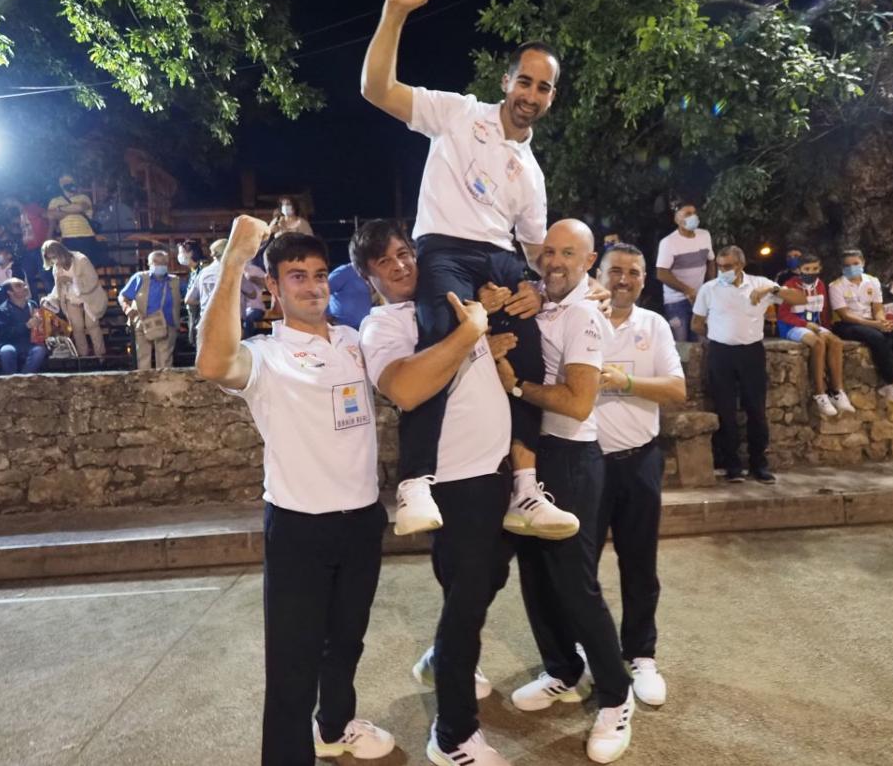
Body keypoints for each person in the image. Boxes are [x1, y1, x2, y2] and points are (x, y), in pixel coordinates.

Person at [362, 0, 556, 538]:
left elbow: (538, 249)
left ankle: (525, 487)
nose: (531, 95)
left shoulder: (534, 175)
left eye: (543, 88)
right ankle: (415, 481)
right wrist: (395, 11)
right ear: (506, 80)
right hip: (444, 247)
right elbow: (376, 90)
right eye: (525, 81)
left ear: (551, 98)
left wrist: (539, 286)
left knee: (529, 354)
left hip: (500, 259)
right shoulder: (457, 113)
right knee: (436, 342)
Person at [195, 217, 396, 766]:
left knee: (347, 642)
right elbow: (212, 363)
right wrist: (235, 259)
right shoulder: (266, 355)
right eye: (297, 277)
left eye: (318, 275)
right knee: (292, 662)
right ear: (276, 290)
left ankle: (334, 727)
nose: (312, 286)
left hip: (361, 520)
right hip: (299, 526)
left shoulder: (356, 341)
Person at [354, 218, 519, 766]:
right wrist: (470, 333)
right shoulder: (383, 326)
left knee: (487, 576)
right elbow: (405, 387)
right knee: (467, 601)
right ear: (368, 277)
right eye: (385, 261)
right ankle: (452, 737)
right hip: (453, 480)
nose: (401, 265)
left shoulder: (448, 305)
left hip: (493, 470)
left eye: (405, 253)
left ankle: (442, 658)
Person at [495, 219, 638, 766]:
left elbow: (578, 403)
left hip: (573, 459)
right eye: (547, 251)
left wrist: (515, 384)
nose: (554, 261)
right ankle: (560, 669)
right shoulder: (543, 302)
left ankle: (615, 694)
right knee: (535, 576)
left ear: (588, 259)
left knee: (576, 585)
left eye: (567, 253)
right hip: (535, 456)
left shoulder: (583, 315)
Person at [593, 243, 686, 708]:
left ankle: (641, 654)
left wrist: (623, 382)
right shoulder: (577, 320)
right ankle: (583, 648)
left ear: (644, 281)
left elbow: (676, 388)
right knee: (578, 568)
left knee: (639, 564)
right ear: (598, 273)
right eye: (615, 271)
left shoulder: (653, 326)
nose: (622, 279)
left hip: (639, 460)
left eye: (632, 272)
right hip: (585, 465)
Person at [692, 246, 804, 484]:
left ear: (741, 265)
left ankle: (758, 464)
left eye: (728, 266)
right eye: (720, 266)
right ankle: (731, 464)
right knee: (725, 410)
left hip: (751, 352)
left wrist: (771, 288)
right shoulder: (709, 289)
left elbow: (799, 298)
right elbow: (697, 323)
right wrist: (719, 332)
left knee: (756, 409)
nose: (723, 271)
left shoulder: (758, 284)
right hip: (721, 353)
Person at [829, 251, 893, 403]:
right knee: (876, 337)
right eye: (847, 265)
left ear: (863, 262)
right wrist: (875, 325)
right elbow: (845, 315)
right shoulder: (836, 286)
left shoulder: (872, 281)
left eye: (855, 264)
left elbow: (877, 308)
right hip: (846, 324)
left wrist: (882, 322)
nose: (852, 268)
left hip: (871, 321)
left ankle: (889, 385)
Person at [777, 252, 854, 417]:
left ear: (820, 269)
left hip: (814, 325)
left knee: (836, 342)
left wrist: (826, 329)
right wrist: (806, 325)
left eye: (814, 269)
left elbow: (824, 311)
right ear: (799, 270)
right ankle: (820, 394)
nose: (810, 272)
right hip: (792, 326)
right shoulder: (790, 285)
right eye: (807, 269)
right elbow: (783, 314)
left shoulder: (820, 285)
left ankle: (837, 391)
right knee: (818, 343)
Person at [655, 198, 714, 341]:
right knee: (681, 343)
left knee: (701, 341)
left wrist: (710, 286)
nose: (693, 217)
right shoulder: (669, 242)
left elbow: (711, 261)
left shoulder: (704, 235)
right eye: (687, 214)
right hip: (675, 302)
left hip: (700, 299)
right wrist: (687, 290)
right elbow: (661, 274)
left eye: (694, 213)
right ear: (677, 219)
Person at [40, 240, 107, 359]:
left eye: (54, 257)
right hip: (71, 299)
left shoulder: (81, 260)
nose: (54, 261)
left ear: (60, 252)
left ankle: (100, 355)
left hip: (89, 297)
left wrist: (73, 280)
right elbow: (58, 287)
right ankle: (83, 356)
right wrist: (50, 298)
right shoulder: (56, 268)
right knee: (77, 327)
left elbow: (92, 280)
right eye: (51, 258)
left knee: (92, 325)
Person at [118, 250, 181, 370]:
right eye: (156, 262)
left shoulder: (175, 281)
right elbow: (123, 296)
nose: (160, 265)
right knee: (143, 359)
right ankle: (144, 386)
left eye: (163, 262)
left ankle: (164, 387)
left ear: (167, 263)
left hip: (167, 324)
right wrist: (127, 309)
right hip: (143, 324)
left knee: (165, 363)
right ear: (149, 263)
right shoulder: (140, 278)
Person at [0, 278, 47, 375]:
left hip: (30, 343)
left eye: (24, 285)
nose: (25, 288)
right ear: (10, 292)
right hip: (10, 343)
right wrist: (26, 325)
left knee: (40, 350)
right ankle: (10, 381)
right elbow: (4, 334)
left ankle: (23, 378)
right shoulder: (1, 310)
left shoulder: (32, 305)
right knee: (7, 351)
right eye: (18, 286)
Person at [46, 174, 100, 263]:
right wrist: (72, 209)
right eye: (64, 181)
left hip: (86, 238)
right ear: (60, 185)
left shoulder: (83, 197)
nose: (68, 183)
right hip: (67, 239)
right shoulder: (55, 201)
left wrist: (59, 209)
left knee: (87, 267)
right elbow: (51, 215)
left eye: (70, 181)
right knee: (70, 268)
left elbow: (80, 207)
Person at [327, 261, 374, 330]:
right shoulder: (343, 272)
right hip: (342, 328)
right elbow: (322, 291)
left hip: (365, 328)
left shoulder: (370, 273)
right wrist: (326, 314)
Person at [177, 239, 207, 344]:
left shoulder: (203, 270)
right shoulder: (193, 271)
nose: (179, 256)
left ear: (191, 253)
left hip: (202, 312)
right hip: (193, 312)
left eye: (181, 252)